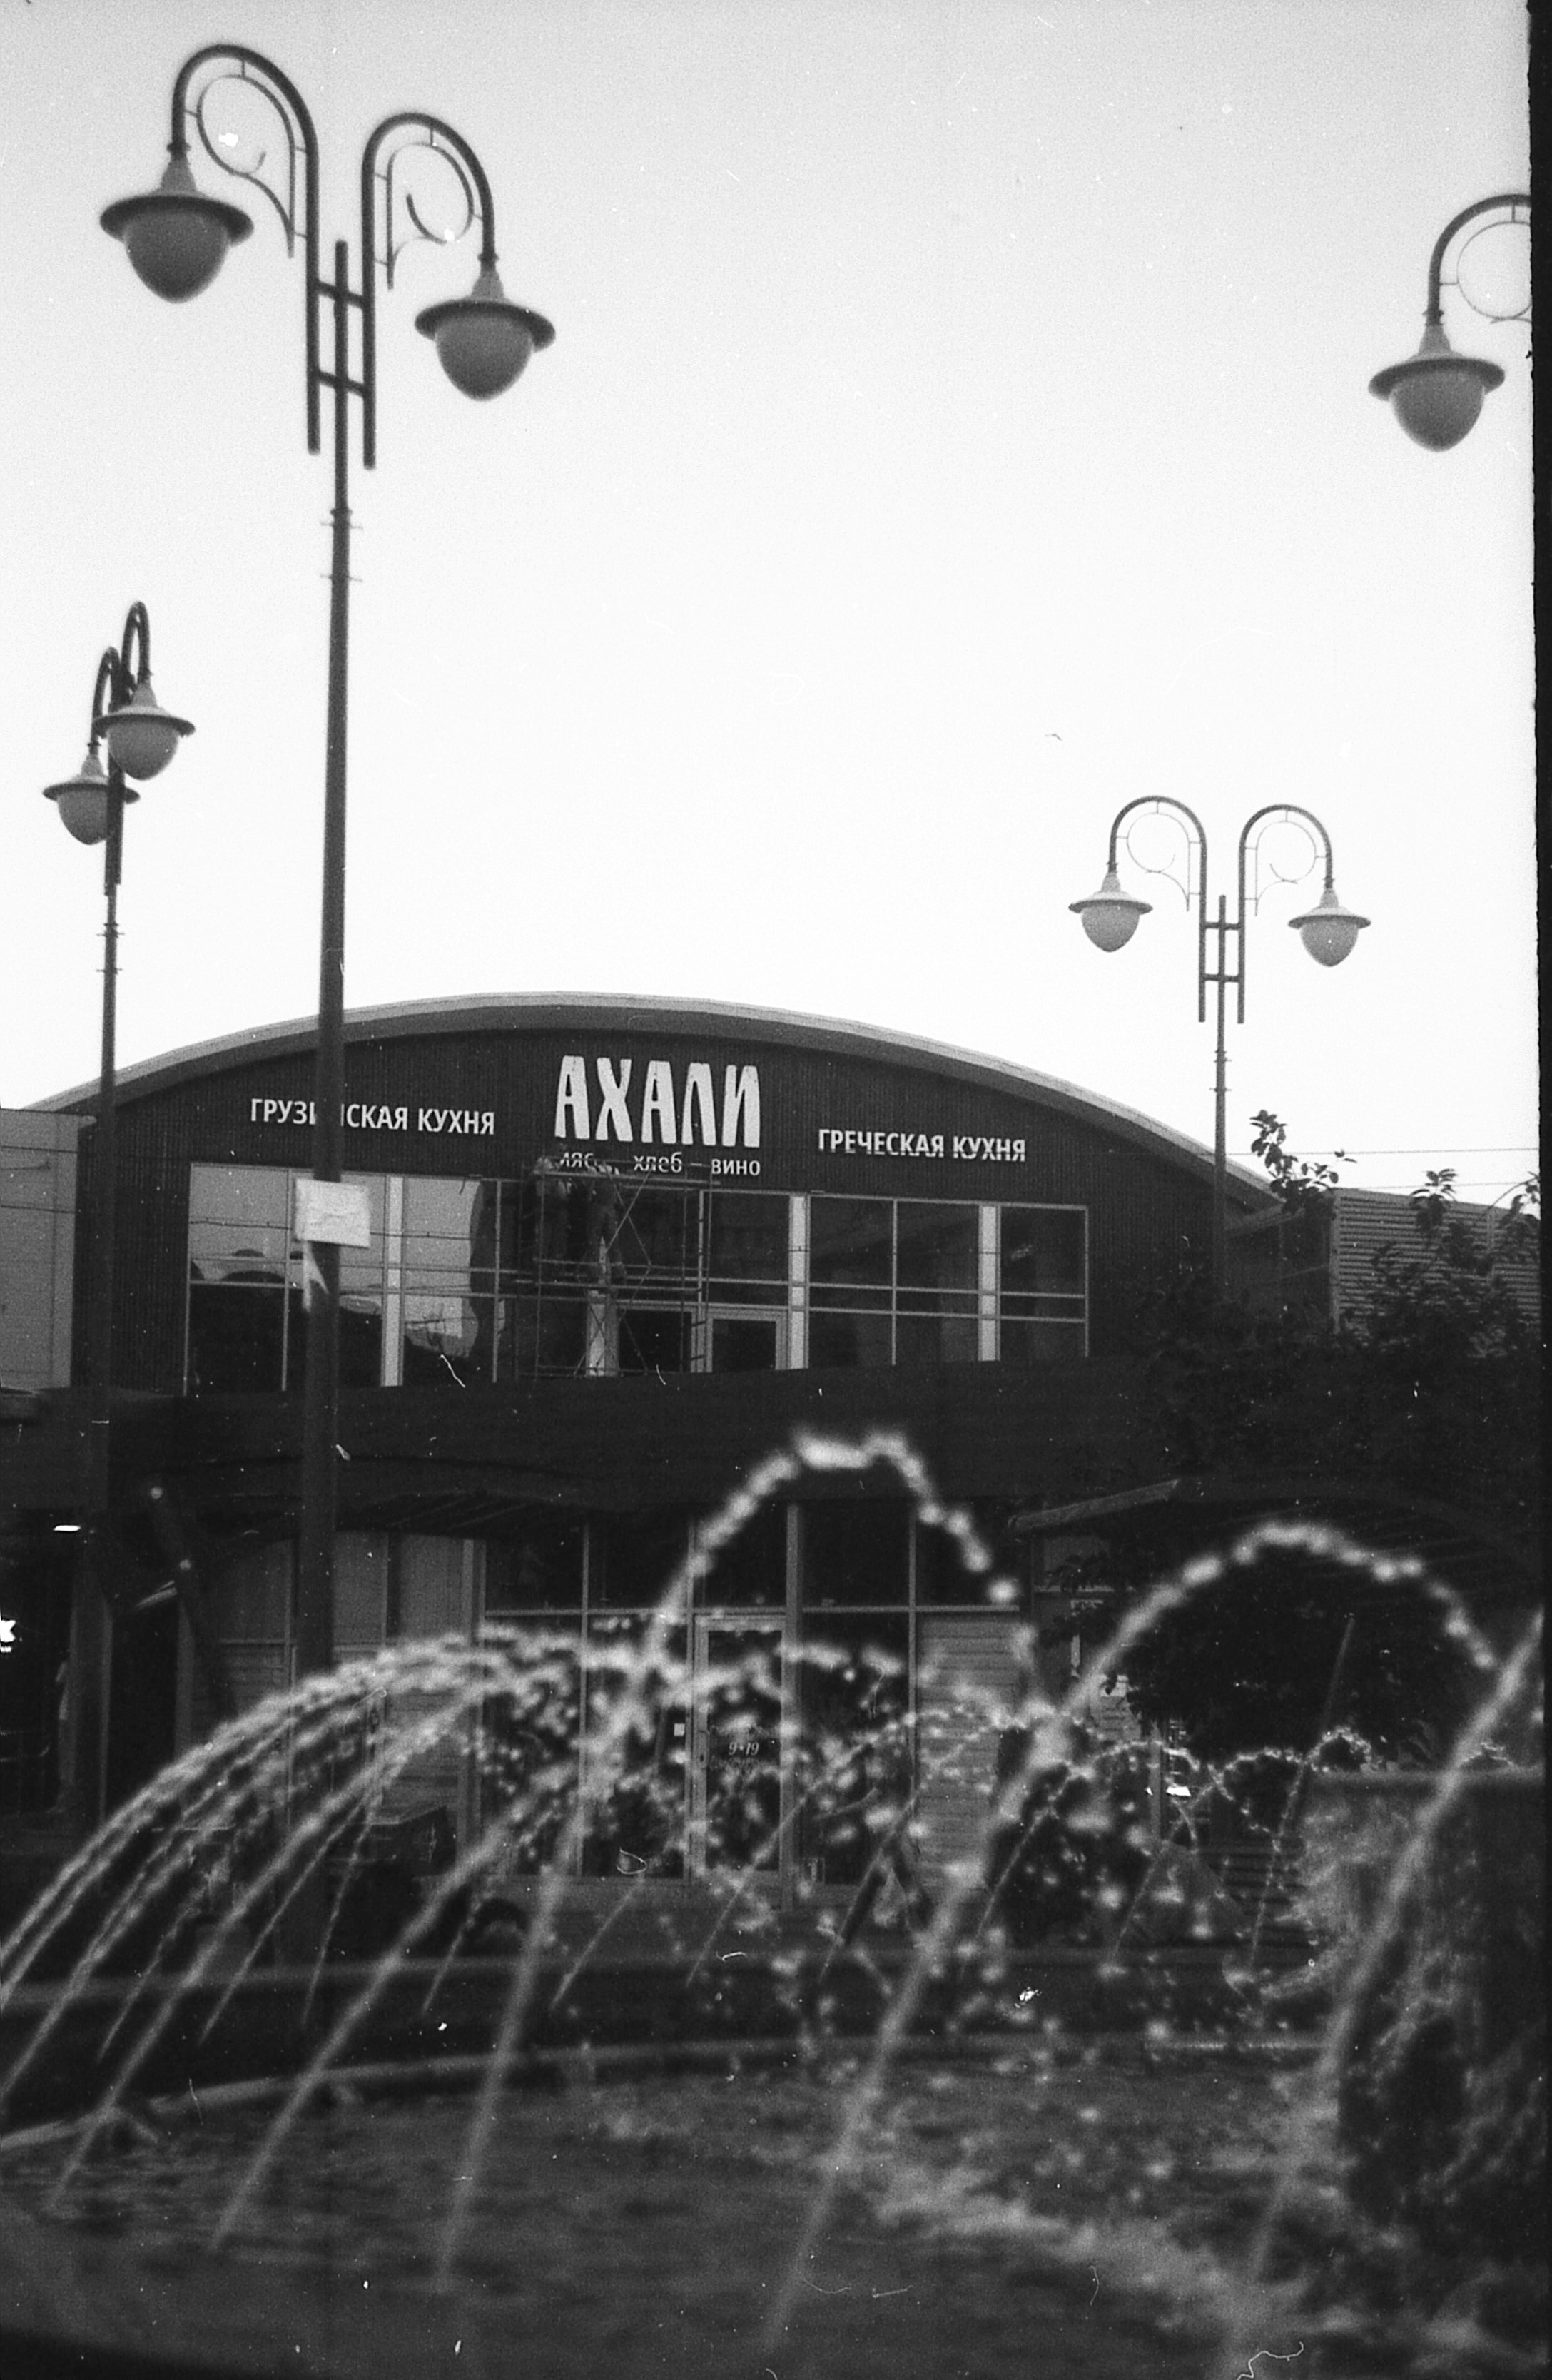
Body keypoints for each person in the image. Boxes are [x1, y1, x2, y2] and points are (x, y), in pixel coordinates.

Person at [837, 1712, 933, 1944]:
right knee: (891, 1882)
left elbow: (874, 1796)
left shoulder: (888, 1755)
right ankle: (845, 1935)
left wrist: (841, 1812)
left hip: (891, 1831)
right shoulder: (897, 1753)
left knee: (886, 1883)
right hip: (892, 1828)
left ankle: (846, 1935)